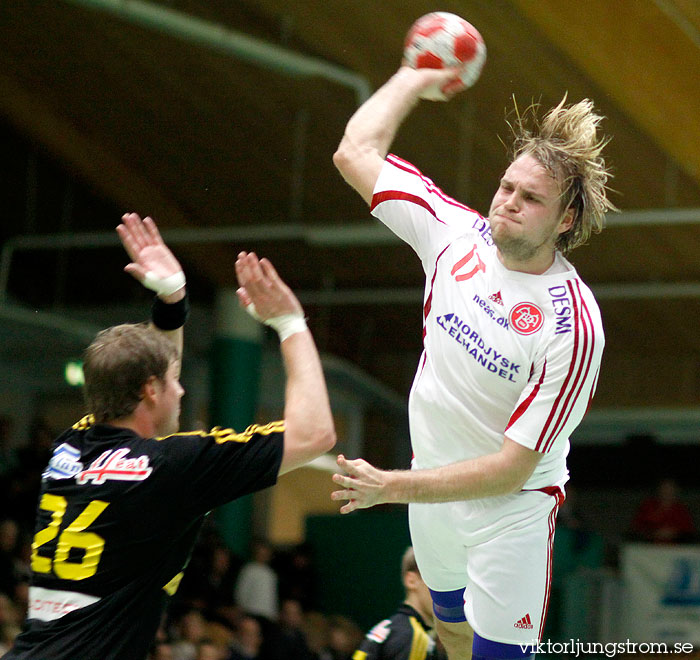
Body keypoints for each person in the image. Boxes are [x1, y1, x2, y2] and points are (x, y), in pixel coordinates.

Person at [331, 64, 614, 660]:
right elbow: (354, 152)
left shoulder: (573, 326)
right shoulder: (454, 234)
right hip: (432, 485)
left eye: (530, 198)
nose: (507, 203)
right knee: (450, 632)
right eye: (507, 186)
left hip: (509, 510)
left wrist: (391, 487)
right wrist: (413, 75)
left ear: (565, 221)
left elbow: (512, 468)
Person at [2, 213, 335, 660]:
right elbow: (315, 433)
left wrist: (171, 301)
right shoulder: (173, 465)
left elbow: (153, 391)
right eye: (172, 382)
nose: (181, 388)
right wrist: (291, 323)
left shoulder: (70, 447)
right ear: (149, 390)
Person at [352, 547, 438, 660]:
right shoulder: (413, 637)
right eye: (435, 581)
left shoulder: (393, 627)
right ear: (411, 580)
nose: (443, 592)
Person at [630, 477, 697, 544]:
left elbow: (689, 533)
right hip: (649, 547)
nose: (667, 492)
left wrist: (675, 534)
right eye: (664, 488)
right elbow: (636, 530)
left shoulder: (682, 510)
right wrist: (653, 533)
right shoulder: (647, 507)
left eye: (670, 488)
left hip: (676, 549)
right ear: (659, 490)